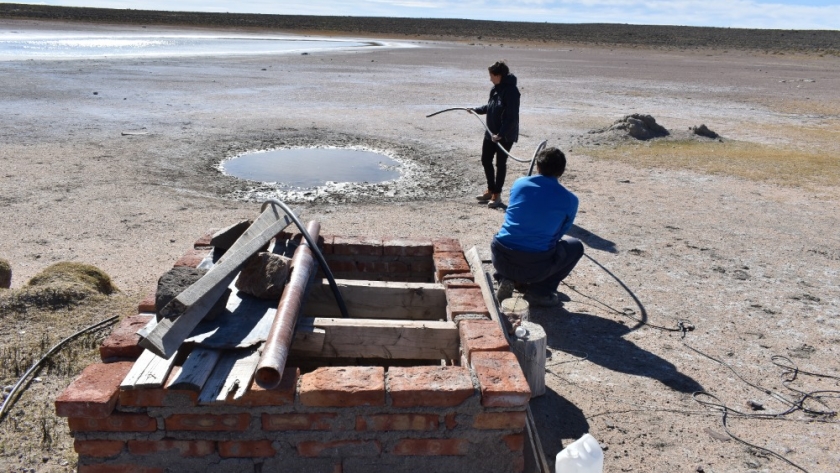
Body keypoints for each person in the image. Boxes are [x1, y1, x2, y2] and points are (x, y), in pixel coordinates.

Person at [491, 147, 584, 307]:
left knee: (511, 232)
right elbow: (560, 233)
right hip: (536, 266)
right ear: (561, 171)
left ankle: (506, 277)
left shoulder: (519, 183)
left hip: (501, 257)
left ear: (538, 167)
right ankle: (540, 291)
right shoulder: (570, 200)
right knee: (576, 246)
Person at [471, 60, 520, 209]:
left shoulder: (512, 91)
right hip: (490, 133)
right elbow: (490, 107)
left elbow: (511, 117)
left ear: (498, 75)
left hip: (505, 135)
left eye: (491, 75)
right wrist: (475, 110)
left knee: (500, 164)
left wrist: (501, 134)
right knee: (486, 160)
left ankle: (497, 195)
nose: (490, 78)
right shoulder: (495, 89)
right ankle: (490, 189)